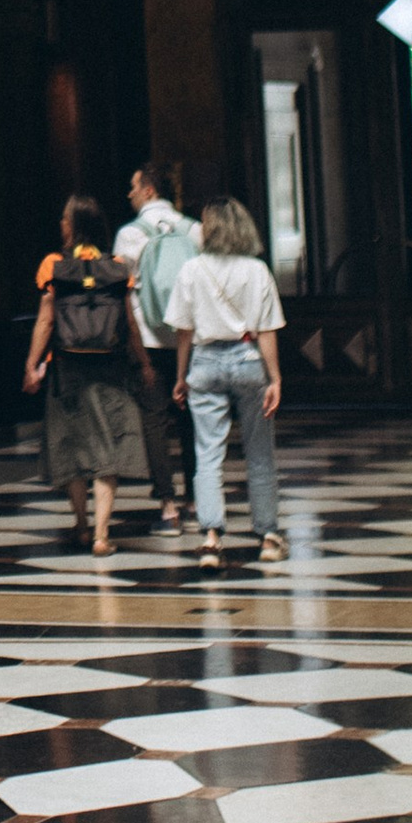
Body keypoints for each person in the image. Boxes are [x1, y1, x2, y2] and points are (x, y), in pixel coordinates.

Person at [24, 199, 150, 557]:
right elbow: (130, 323)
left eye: (65, 218)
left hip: (68, 369)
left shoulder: (54, 265)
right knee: (108, 449)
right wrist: (144, 363)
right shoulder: (118, 268)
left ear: (75, 224)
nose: (61, 223)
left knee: (73, 446)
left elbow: (46, 321)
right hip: (111, 369)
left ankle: (81, 525)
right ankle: (102, 535)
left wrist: (32, 365)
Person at [171, 197, 287, 571]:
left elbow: (184, 331)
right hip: (248, 358)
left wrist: (180, 376)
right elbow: (267, 330)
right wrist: (275, 378)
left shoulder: (191, 269)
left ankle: (211, 538)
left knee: (207, 454)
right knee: (260, 452)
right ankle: (268, 536)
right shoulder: (257, 270)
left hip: (205, 361)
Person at [115, 162, 201, 531]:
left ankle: (167, 505)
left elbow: (122, 291)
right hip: (188, 339)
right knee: (192, 420)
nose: (129, 194)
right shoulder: (194, 230)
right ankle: (195, 498)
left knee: (153, 422)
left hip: (148, 340)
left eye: (134, 187)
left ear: (149, 190)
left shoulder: (129, 235)